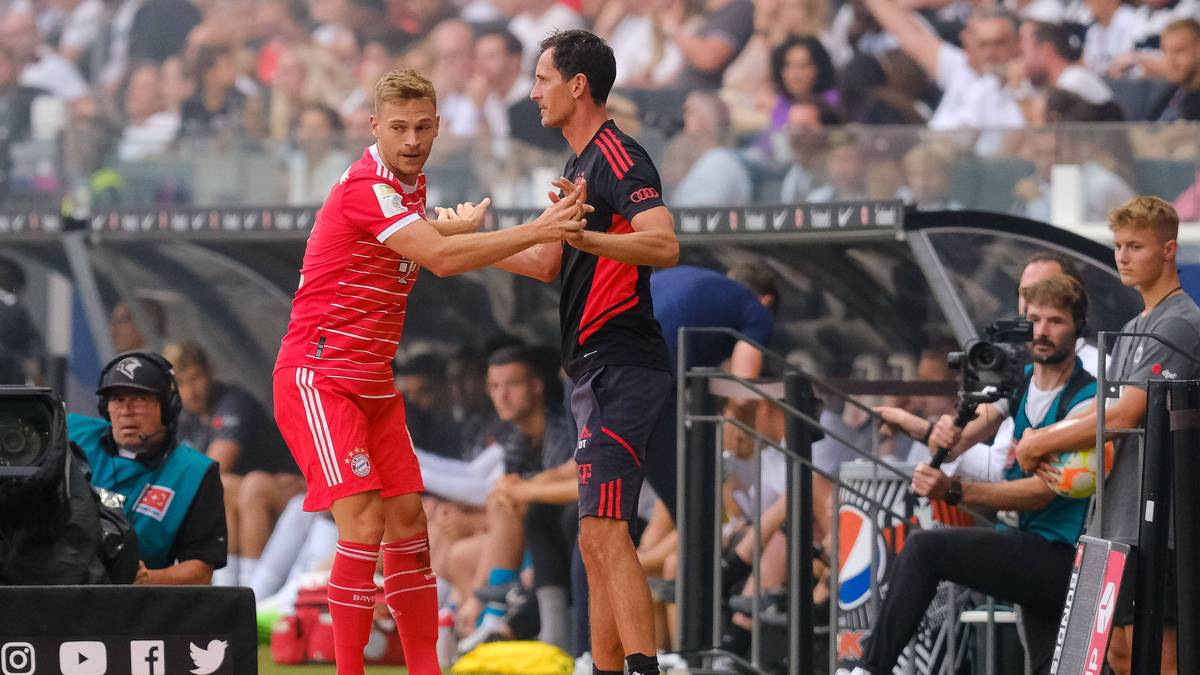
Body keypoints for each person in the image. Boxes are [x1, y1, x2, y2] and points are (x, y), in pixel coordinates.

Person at [270, 67, 587, 675]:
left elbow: (473, 248)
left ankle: (424, 670)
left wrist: (545, 244)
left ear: (439, 127)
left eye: (421, 127)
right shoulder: (369, 186)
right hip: (320, 377)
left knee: (410, 526)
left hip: (371, 385)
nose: (411, 139)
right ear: (373, 128)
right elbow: (440, 256)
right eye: (398, 128)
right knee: (362, 522)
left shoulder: (409, 190)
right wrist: (530, 230)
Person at [495, 29, 679, 675]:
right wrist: (457, 245)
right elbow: (550, 260)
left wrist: (592, 238)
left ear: (578, 86)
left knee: (604, 529)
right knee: (594, 531)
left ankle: (639, 667)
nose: (533, 91)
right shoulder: (577, 167)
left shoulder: (618, 156)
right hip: (599, 371)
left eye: (541, 78)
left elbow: (663, 245)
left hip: (620, 365)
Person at [851, 274, 1097, 675]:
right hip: (1026, 547)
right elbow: (957, 440)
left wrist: (954, 492)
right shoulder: (1020, 386)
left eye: (1056, 321)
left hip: (1062, 558)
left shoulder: (1086, 399)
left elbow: (1039, 493)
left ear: (1079, 328)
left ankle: (868, 669)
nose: (1042, 331)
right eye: (1034, 319)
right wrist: (940, 431)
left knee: (924, 550)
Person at [1016, 196, 1200, 675]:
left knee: (1159, 658)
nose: (1122, 256)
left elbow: (1125, 415)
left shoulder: (1179, 324)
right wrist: (1058, 448)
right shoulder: (1132, 327)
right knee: (1116, 654)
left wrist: (1041, 442)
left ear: (1168, 251)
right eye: (1118, 245)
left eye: (1135, 245)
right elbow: (1105, 421)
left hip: (1162, 523)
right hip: (1114, 522)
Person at [67, 351, 227, 585]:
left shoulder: (195, 473)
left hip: (137, 606)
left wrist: (149, 578)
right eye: (117, 399)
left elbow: (201, 570)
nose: (126, 410)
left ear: (168, 406)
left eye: (140, 399)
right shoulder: (70, 434)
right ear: (105, 407)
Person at [166, 341, 304, 587]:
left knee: (239, 484)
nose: (191, 390)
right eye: (182, 383)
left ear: (209, 371)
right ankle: (225, 584)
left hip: (291, 491)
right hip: (241, 497)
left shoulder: (235, 402)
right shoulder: (183, 417)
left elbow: (214, 466)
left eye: (195, 378)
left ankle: (253, 589)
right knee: (220, 490)